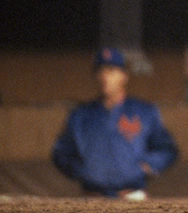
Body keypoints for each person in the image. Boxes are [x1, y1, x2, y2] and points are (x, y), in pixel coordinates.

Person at [52, 47, 179, 199]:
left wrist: (147, 166)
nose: (105, 77)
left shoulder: (144, 112)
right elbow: (61, 153)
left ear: (124, 76)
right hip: (92, 196)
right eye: (101, 71)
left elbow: (167, 149)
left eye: (111, 70)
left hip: (132, 195)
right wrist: (83, 171)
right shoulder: (80, 115)